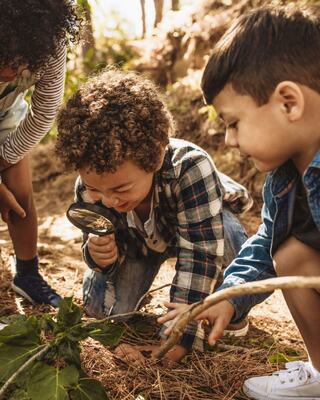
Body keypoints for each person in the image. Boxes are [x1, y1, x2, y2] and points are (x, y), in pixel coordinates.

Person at [159, 4, 320, 398]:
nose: (229, 140)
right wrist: (227, 298)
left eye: (234, 123)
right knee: (290, 253)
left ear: (288, 103)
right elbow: (268, 242)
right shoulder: (285, 175)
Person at [55, 68, 252, 362]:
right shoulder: (90, 186)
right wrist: (100, 257)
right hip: (137, 247)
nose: (108, 200)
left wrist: (177, 338)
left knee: (230, 236)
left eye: (121, 188)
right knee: (101, 312)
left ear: (157, 157)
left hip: (197, 229)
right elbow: (94, 242)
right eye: (97, 189)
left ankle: (233, 310)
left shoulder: (191, 168)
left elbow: (199, 255)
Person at [0, 0, 80, 307]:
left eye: (17, 61)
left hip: (6, 116)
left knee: (20, 192)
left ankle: (27, 274)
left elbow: (44, 112)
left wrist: (5, 159)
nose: (8, 71)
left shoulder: (50, 40)